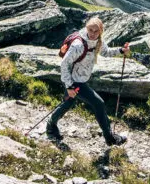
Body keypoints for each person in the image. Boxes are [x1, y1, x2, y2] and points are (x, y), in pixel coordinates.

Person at [47, 17, 130, 146]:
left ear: (100, 31)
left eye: (96, 31)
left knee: (67, 103)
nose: (92, 33)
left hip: (79, 79)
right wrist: (69, 86)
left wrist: (120, 50)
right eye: (90, 30)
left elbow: (106, 52)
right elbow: (64, 65)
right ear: (86, 28)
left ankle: (50, 127)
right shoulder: (78, 45)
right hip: (74, 81)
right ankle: (110, 138)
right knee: (99, 103)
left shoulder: (98, 41)